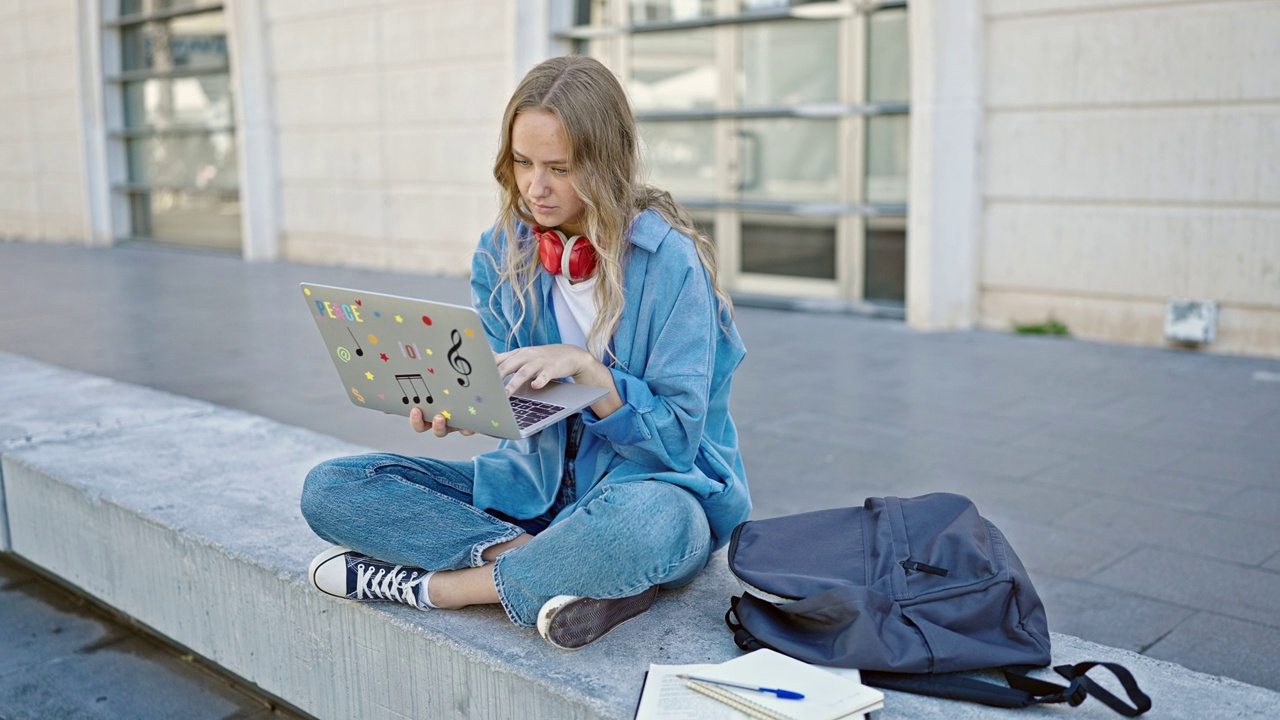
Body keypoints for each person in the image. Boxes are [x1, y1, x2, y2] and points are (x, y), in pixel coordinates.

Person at [300, 55, 750, 650]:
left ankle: (441, 588)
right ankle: (566, 574)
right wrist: (461, 405)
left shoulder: (669, 264)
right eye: (522, 162)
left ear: (605, 163)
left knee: (645, 530)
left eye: (559, 168)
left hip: (656, 491)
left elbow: (676, 441)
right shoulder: (501, 253)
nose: (535, 187)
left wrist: (592, 373)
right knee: (333, 487)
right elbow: (499, 387)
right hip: (529, 494)